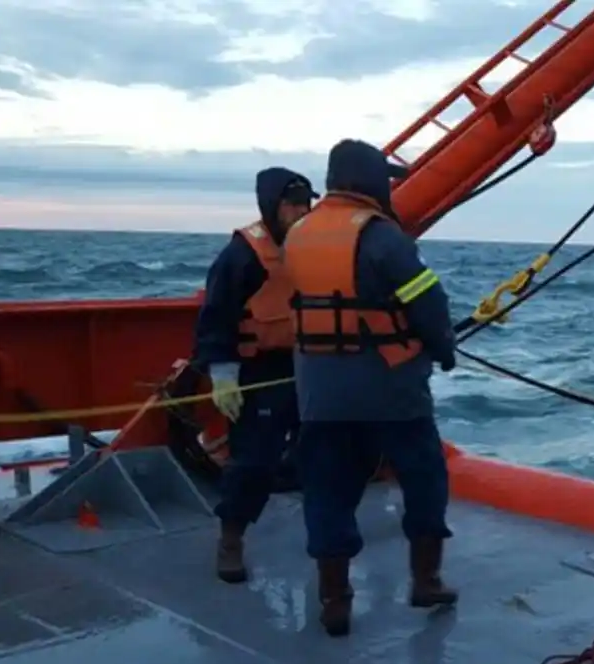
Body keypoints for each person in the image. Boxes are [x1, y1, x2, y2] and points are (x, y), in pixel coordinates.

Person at [282, 138, 458, 638]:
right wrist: (444, 350)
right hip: (393, 391)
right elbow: (429, 306)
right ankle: (426, 581)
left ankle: (334, 601)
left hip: (319, 393)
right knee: (424, 480)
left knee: (328, 490)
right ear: (369, 181)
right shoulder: (385, 238)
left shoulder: (297, 234)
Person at [195, 167, 317, 584]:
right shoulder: (242, 254)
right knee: (253, 464)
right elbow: (216, 318)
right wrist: (223, 375)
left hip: (311, 366)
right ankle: (231, 539)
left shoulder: (317, 247)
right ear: (271, 205)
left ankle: (325, 541)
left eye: (306, 202)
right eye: (292, 203)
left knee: (326, 453)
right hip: (259, 372)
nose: (300, 211)